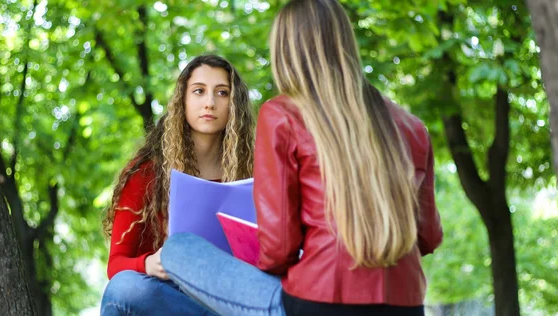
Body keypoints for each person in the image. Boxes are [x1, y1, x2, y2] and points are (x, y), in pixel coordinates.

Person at [161, 1, 443, 315]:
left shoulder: (282, 114)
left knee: (179, 248)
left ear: (286, 51)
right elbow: (428, 238)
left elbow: (279, 248)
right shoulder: (413, 128)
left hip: (316, 302)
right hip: (406, 304)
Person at [100, 54, 255, 316]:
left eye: (222, 92)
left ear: (234, 104)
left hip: (229, 297)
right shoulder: (146, 172)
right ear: (182, 100)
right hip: (166, 297)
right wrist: (149, 264)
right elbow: (116, 265)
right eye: (199, 91)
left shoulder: (252, 174)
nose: (210, 102)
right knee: (123, 288)